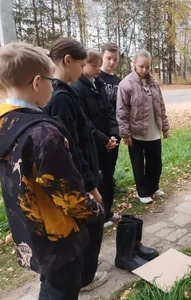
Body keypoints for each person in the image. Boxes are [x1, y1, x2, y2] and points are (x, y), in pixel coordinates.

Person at [0, 42, 103, 300]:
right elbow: (68, 195)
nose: (53, 85)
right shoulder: (43, 133)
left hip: (27, 229)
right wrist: (95, 210)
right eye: (50, 80)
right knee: (63, 288)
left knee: (51, 282)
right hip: (59, 236)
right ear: (37, 82)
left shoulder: (4, 122)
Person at [43, 37, 107, 291]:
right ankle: (85, 278)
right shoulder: (60, 98)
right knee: (92, 222)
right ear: (67, 61)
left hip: (81, 175)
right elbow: (71, 148)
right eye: (81, 65)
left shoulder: (63, 93)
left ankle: (84, 269)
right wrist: (90, 186)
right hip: (78, 180)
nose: (82, 71)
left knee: (88, 227)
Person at [71, 49, 120, 227]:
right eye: (95, 65)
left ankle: (108, 210)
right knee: (97, 178)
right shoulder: (77, 89)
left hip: (110, 141)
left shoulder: (98, 84)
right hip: (94, 144)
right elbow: (85, 122)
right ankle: (99, 215)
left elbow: (109, 111)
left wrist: (114, 135)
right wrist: (103, 140)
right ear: (83, 65)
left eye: (100, 64)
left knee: (108, 177)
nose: (99, 68)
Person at [117, 49, 169, 204]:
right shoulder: (126, 84)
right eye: (141, 66)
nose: (145, 70)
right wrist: (125, 134)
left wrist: (165, 127)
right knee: (139, 164)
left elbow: (161, 105)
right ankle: (143, 191)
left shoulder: (153, 82)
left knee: (155, 163)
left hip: (153, 131)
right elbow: (121, 110)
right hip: (136, 132)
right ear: (134, 64)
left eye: (147, 67)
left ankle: (153, 187)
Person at [99, 42, 127, 195]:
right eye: (108, 58)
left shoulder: (118, 81)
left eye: (115, 59)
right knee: (101, 161)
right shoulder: (97, 78)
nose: (112, 62)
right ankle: (102, 188)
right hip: (101, 129)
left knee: (112, 160)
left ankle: (111, 184)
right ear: (102, 57)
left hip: (116, 128)